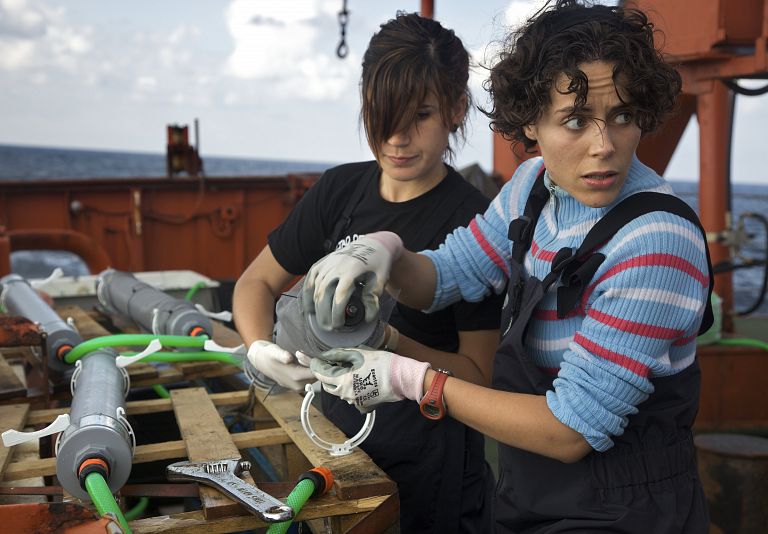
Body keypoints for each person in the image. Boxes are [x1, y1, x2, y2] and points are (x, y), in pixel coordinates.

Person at [303, 1, 714, 532]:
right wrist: (386, 252)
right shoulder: (533, 188)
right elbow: (448, 275)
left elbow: (572, 431)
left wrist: (415, 381)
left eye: (622, 116)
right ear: (531, 122)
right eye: (574, 120)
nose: (604, 146)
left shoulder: (658, 241)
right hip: (530, 496)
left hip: (627, 512)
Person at [232, 12, 503, 533]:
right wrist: (258, 346)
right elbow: (256, 283)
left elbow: (479, 377)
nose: (397, 137)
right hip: (329, 451)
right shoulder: (340, 191)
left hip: (431, 470)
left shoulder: (474, 223)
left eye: (420, 114)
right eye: (383, 114)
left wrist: (390, 343)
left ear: (456, 109)